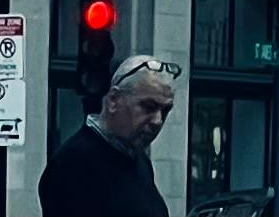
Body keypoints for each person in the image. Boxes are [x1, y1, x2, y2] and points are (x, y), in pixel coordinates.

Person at [39, 54, 178, 217]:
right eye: (148, 107)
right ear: (113, 100)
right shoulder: (73, 163)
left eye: (165, 110)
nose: (158, 121)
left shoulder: (139, 161)